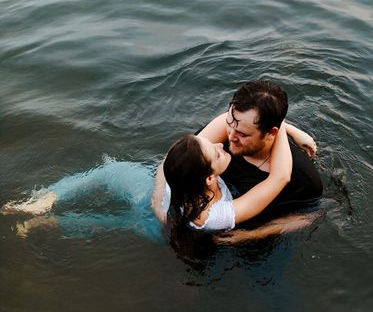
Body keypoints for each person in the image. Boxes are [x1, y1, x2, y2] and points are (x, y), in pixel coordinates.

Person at [1, 121, 293, 239]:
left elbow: (169, 159)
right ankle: (47, 221)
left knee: (107, 172)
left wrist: (156, 195)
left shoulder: (181, 171)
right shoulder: (214, 216)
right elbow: (280, 176)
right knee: (102, 225)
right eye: (216, 153)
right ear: (209, 178)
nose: (221, 145)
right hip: (156, 226)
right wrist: (280, 128)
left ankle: (49, 199)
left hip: (153, 198)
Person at [152, 80, 323, 235]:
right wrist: (158, 203)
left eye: (242, 133)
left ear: (271, 132)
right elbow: (280, 176)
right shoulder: (217, 215)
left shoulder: (304, 178)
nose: (228, 138)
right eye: (229, 124)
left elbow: (311, 215)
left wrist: (255, 234)